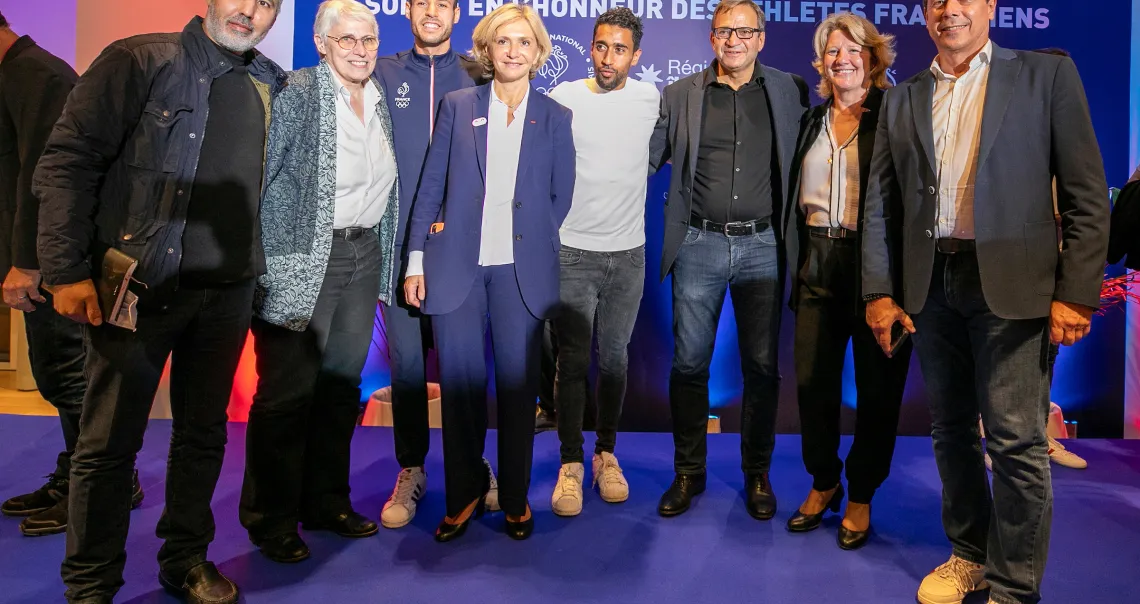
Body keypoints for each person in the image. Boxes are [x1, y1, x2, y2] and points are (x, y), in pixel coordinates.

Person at [32, 1, 287, 601]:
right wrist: (64, 271)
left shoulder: (271, 83)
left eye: (268, 2)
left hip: (228, 293)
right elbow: (68, 163)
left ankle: (185, 559)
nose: (250, 11)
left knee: (203, 436)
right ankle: (91, 584)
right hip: (139, 287)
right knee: (107, 444)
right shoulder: (139, 60)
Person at [860, 1, 1110, 602]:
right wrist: (879, 290)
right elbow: (881, 204)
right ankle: (969, 555)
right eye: (936, 2)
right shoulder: (903, 96)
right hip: (930, 285)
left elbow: (1086, 193)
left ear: (991, 5)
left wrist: (1077, 293)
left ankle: (1013, 586)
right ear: (925, 15)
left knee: (1016, 441)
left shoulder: (1046, 76)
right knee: (951, 431)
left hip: (1015, 287)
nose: (950, 10)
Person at [402, 2, 574, 542]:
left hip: (521, 275)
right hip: (457, 270)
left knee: (519, 393)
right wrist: (416, 259)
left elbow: (560, 196)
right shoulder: (458, 105)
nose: (513, 51)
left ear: (538, 51)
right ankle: (464, 496)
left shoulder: (556, 116)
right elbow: (431, 186)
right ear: (487, 50)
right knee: (459, 392)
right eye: (503, 41)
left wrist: (532, 242)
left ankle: (516, 500)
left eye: (524, 42)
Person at [240, 0, 395, 565]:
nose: (360, 50)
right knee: (286, 394)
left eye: (368, 39)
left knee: (339, 389)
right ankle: (272, 519)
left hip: (363, 254)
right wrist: (266, 262)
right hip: (304, 258)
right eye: (346, 39)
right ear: (321, 43)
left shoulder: (379, 98)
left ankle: (326, 501)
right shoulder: (298, 93)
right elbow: (260, 178)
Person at [647, 0, 809, 519]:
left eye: (743, 31)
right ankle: (688, 472)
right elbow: (641, 160)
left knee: (762, 368)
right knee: (689, 364)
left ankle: (757, 473)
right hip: (699, 243)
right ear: (711, 37)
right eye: (723, 31)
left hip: (765, 246)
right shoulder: (680, 94)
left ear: (761, 37)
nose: (733, 40)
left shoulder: (790, 90)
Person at [0, 11, 145, 538]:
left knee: (73, 377)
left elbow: (47, 182)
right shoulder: (21, 74)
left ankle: (104, 485)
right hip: (45, 262)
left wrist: (29, 263)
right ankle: (78, 475)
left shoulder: (40, 76)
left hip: (57, 264)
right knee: (61, 377)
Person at [782, 12, 909, 551]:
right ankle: (824, 480)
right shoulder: (809, 121)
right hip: (816, 261)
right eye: (833, 51)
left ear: (873, 58)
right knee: (813, 386)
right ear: (821, 63)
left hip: (878, 268)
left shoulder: (896, 116)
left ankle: (861, 493)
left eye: (854, 49)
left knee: (878, 392)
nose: (843, 59)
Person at [373, 0, 499, 530]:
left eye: (441, 4)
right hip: (398, 247)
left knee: (465, 369)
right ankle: (412, 467)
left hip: (461, 250)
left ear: (456, 12)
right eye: (421, 2)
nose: (431, 12)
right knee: (406, 368)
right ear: (407, 10)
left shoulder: (480, 73)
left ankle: (473, 464)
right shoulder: (382, 72)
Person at [545, 7, 658, 517]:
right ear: (590, 47)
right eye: (600, 46)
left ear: (636, 55)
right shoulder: (564, 97)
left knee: (614, 360)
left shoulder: (651, 99)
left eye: (619, 49)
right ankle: (570, 462)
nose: (608, 58)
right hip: (572, 252)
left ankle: (605, 454)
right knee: (571, 362)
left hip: (628, 255)